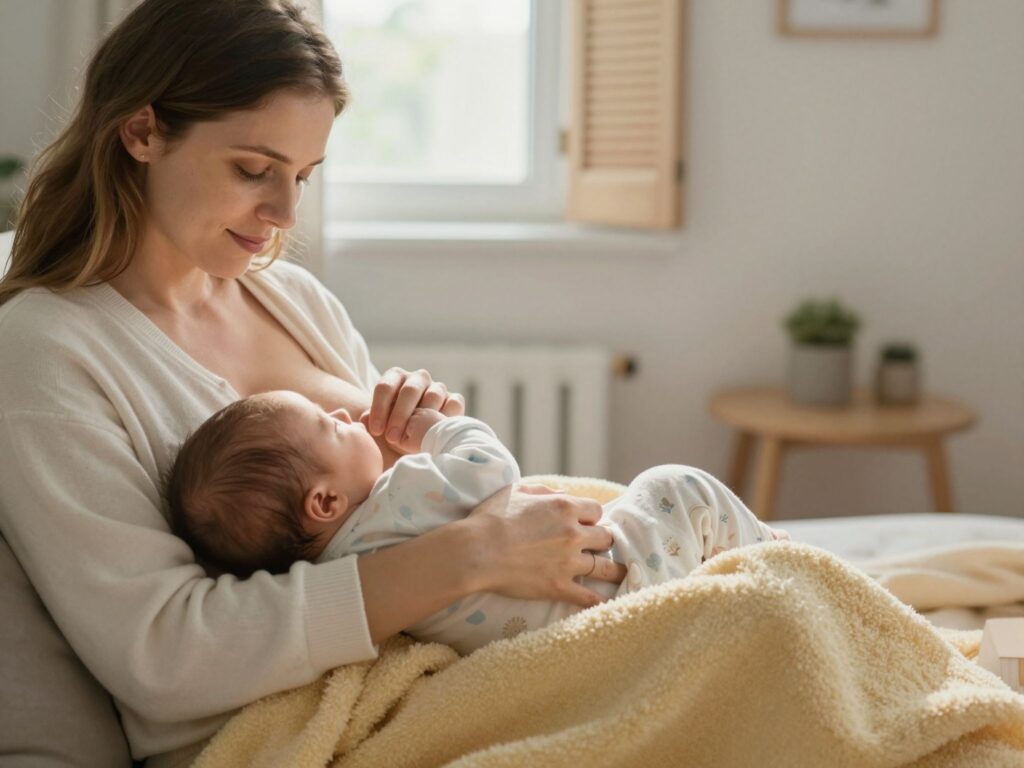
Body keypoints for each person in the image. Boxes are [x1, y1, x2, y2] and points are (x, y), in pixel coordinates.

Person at [0, 1, 755, 765]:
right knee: (754, 637)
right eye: (253, 170)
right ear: (141, 132)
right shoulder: (50, 351)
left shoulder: (293, 299)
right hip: (298, 732)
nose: (285, 212)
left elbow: (372, 519)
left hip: (437, 668)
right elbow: (163, 654)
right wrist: (474, 553)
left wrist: (414, 446)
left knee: (751, 612)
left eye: (302, 175)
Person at [166, 391, 788, 655]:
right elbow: (493, 472)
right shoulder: (399, 494)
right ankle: (772, 549)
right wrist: (438, 430)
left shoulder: (345, 573)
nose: (341, 413)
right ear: (325, 503)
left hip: (566, 625)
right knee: (673, 486)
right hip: (615, 578)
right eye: (328, 426)